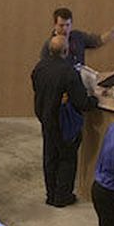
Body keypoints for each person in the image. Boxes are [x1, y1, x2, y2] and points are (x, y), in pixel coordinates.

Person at [31, 34, 92, 207]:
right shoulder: (69, 72)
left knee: (50, 156)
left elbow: (36, 86)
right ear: (66, 51)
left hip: (45, 118)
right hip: (64, 123)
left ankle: (51, 194)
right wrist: (94, 100)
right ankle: (62, 196)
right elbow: (82, 102)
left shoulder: (40, 67)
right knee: (67, 157)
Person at [46, 7, 114, 66]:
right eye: (61, 25)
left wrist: (113, 31)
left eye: (68, 25)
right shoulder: (49, 45)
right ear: (55, 25)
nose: (65, 29)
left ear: (71, 24)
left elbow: (98, 41)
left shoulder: (78, 37)